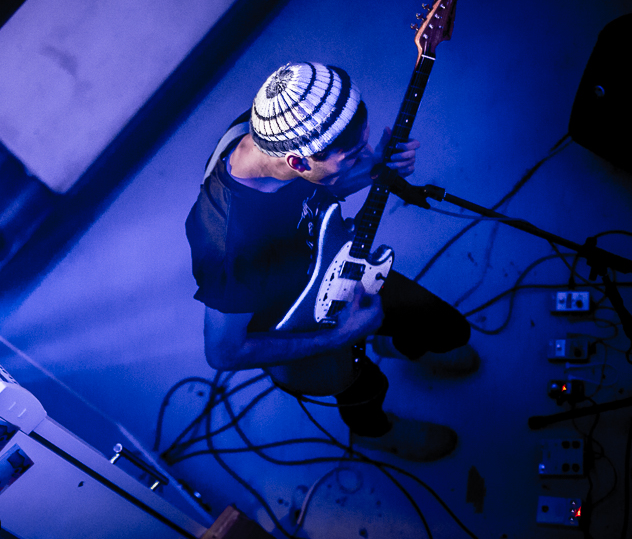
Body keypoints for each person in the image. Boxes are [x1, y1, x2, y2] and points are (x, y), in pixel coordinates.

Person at [185, 62, 477, 462]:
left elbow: (327, 187)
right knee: (363, 387)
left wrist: (380, 166)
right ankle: (376, 433)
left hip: (334, 266)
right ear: (298, 163)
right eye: (353, 156)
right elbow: (223, 353)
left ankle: (391, 343)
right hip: (297, 324)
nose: (366, 159)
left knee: (449, 330)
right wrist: (340, 336)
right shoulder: (231, 245)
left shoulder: (278, 126)